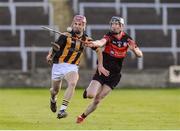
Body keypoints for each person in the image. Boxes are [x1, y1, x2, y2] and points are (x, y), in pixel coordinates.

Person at [76, 16, 143, 123]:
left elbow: (140, 54)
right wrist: (93, 43)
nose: (114, 26)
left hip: (115, 76)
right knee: (90, 95)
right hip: (102, 71)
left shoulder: (128, 39)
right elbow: (101, 42)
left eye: (116, 24)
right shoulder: (109, 36)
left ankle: (82, 117)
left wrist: (134, 50)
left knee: (97, 100)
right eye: (112, 24)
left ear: (121, 26)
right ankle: (87, 91)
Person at [46, 15, 108, 119]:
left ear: (84, 26)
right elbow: (55, 47)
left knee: (73, 82)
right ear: (72, 24)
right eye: (75, 24)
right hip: (58, 65)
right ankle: (53, 99)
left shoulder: (87, 39)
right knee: (54, 90)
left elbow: (98, 50)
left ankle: (62, 110)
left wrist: (100, 65)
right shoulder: (65, 35)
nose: (77, 26)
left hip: (72, 67)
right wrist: (50, 55)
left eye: (80, 24)